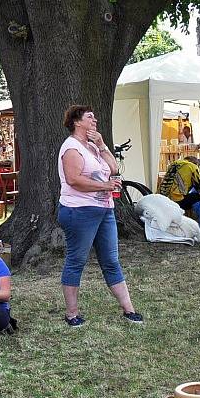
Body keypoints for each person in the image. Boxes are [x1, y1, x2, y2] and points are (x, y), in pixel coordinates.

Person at [57, 105, 143, 327]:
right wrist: (105, 185)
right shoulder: (72, 148)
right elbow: (73, 179)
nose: (94, 119)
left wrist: (103, 145)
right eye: (89, 117)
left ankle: (129, 310)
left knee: (111, 260)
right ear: (77, 122)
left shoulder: (93, 147)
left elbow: (113, 168)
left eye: (95, 116)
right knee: (77, 260)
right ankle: (72, 314)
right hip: (79, 210)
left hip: (105, 210)